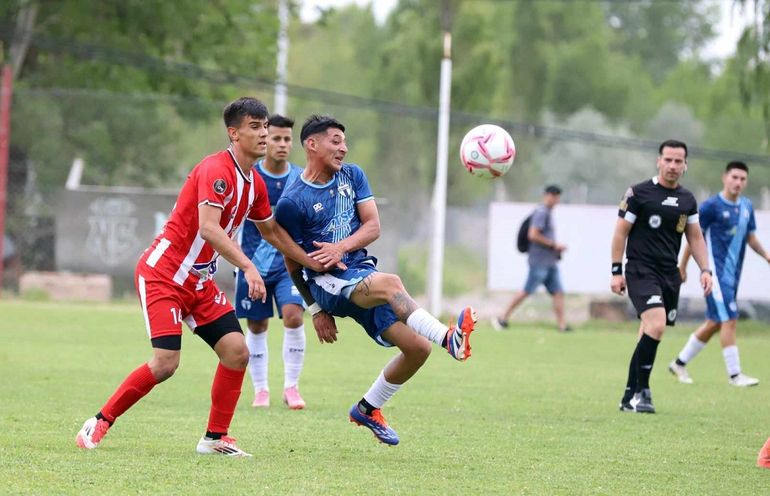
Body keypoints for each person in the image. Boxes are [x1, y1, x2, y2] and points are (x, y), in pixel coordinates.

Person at [75, 97, 331, 456]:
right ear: (233, 133)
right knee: (166, 364)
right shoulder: (215, 170)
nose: (264, 134)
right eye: (255, 127)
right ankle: (99, 421)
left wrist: (309, 261)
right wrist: (247, 265)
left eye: (265, 127)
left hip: (198, 283)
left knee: (237, 352)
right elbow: (209, 229)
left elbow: (271, 231)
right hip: (164, 274)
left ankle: (214, 438)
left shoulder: (254, 184)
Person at [273, 115, 477, 446]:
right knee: (392, 283)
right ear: (312, 144)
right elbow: (291, 259)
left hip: (359, 269)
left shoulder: (352, 176)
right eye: (335, 141)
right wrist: (315, 310)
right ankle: (449, 339)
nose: (344, 148)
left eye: (344, 141)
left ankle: (367, 409)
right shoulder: (292, 202)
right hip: (328, 283)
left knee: (416, 348)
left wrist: (341, 246)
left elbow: (373, 226)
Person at [611, 139, 713, 414]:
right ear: (658, 161)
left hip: (669, 274)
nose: (672, 165)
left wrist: (705, 269)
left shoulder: (687, 200)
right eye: (667, 159)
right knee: (655, 324)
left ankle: (628, 396)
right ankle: (643, 393)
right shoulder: (639, 193)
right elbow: (620, 232)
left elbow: (695, 237)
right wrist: (616, 271)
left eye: (678, 161)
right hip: (641, 269)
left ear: (685, 165)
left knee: (649, 331)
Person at [668, 161, 769, 387]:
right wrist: (682, 267)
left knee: (715, 321)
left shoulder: (746, 207)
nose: (738, 182)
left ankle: (679, 363)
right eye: (734, 177)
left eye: (742, 179)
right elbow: (694, 238)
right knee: (729, 318)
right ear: (725, 178)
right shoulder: (711, 206)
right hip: (714, 275)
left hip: (733, 276)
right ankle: (735, 375)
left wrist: (767, 256)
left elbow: (751, 238)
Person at [234, 114, 307, 409]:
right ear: (266, 140)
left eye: (287, 139)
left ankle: (292, 387)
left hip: (289, 266)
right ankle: (261, 389)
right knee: (257, 326)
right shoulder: (251, 177)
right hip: (254, 267)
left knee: (294, 315)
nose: (281, 144)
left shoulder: (300, 179)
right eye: (276, 138)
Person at [491, 184, 570, 332]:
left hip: (550, 262)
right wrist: (554, 245)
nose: (557, 200)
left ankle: (562, 326)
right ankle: (502, 318)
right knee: (526, 291)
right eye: (555, 197)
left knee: (558, 292)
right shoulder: (541, 212)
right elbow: (533, 235)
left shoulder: (548, 212)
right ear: (548, 196)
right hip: (539, 262)